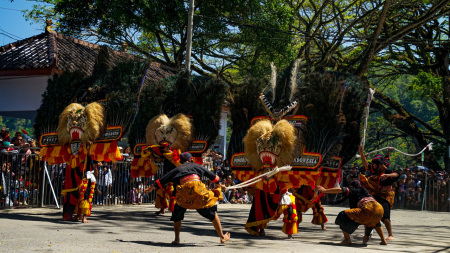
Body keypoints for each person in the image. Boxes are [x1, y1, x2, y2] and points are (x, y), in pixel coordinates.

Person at [144, 152, 230, 244]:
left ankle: (177, 239)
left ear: (181, 161)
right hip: (198, 193)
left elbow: (161, 181)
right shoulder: (197, 166)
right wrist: (221, 185)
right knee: (212, 211)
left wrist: (150, 189)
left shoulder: (177, 169)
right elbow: (214, 178)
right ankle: (222, 236)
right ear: (191, 159)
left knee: (177, 214)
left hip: (183, 195)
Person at [317, 181, 387, 245]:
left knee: (342, 215)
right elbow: (371, 217)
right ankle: (383, 240)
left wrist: (325, 190)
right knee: (375, 220)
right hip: (379, 208)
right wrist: (367, 234)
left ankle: (347, 240)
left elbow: (341, 190)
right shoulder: (365, 191)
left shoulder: (353, 190)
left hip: (368, 208)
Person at [358, 145, 399, 241]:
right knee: (369, 212)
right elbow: (366, 165)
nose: (374, 167)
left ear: (381, 165)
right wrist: (362, 154)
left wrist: (388, 175)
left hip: (386, 195)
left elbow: (397, 174)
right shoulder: (375, 168)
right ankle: (367, 235)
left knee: (385, 217)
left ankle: (390, 234)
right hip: (375, 193)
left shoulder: (388, 170)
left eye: (376, 165)